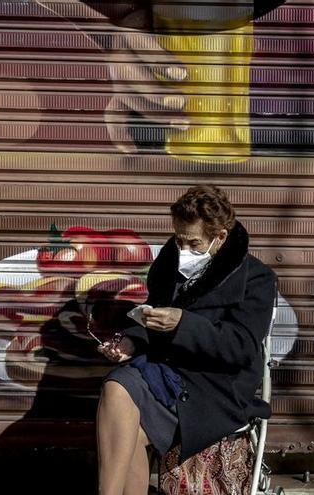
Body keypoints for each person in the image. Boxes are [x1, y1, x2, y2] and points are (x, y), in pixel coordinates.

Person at [96, 185, 276, 495]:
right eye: (179, 239)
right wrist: (132, 341)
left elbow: (242, 347)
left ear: (219, 236)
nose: (183, 249)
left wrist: (184, 323)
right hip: (166, 370)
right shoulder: (169, 264)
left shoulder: (256, 279)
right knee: (116, 385)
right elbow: (152, 315)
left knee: (134, 431)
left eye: (193, 242)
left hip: (214, 385)